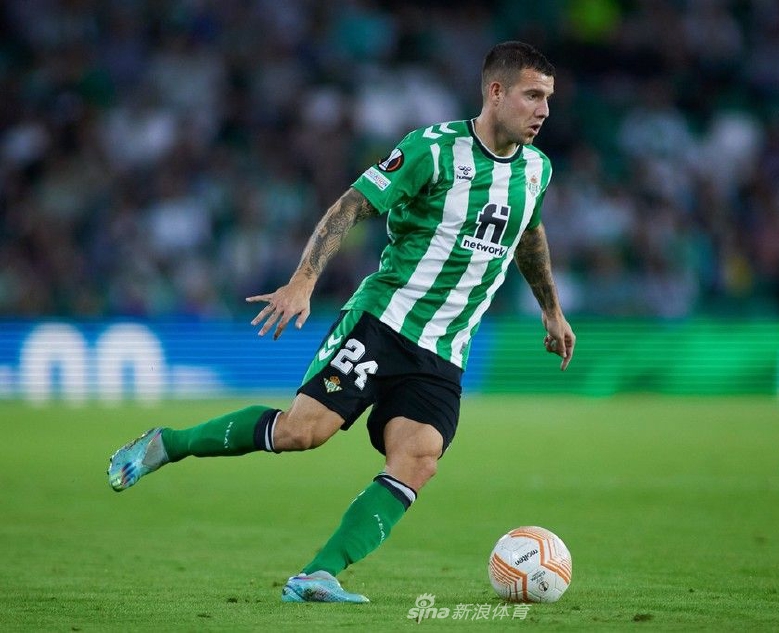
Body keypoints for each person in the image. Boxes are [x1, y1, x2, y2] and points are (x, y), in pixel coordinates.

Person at [107, 41, 575, 604]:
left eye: (547, 98)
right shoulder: (432, 150)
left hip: (445, 348)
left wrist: (551, 309)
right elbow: (351, 205)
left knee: (418, 459)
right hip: (383, 322)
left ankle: (319, 574)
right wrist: (304, 280)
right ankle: (169, 443)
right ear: (496, 92)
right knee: (302, 433)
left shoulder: (537, 170)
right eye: (532, 96)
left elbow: (528, 233)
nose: (544, 110)